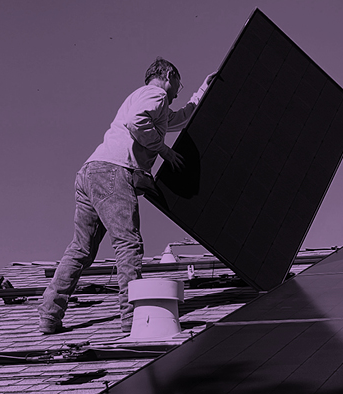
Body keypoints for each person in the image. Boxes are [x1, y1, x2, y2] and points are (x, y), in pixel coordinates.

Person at [38, 57, 216, 334]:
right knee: (128, 244)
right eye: (179, 85)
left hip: (91, 172)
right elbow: (137, 122)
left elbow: (180, 119)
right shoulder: (155, 94)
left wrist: (203, 90)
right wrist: (164, 151)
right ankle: (132, 319)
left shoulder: (146, 99)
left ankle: (49, 315)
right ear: (169, 75)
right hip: (114, 172)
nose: (178, 92)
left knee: (81, 249)